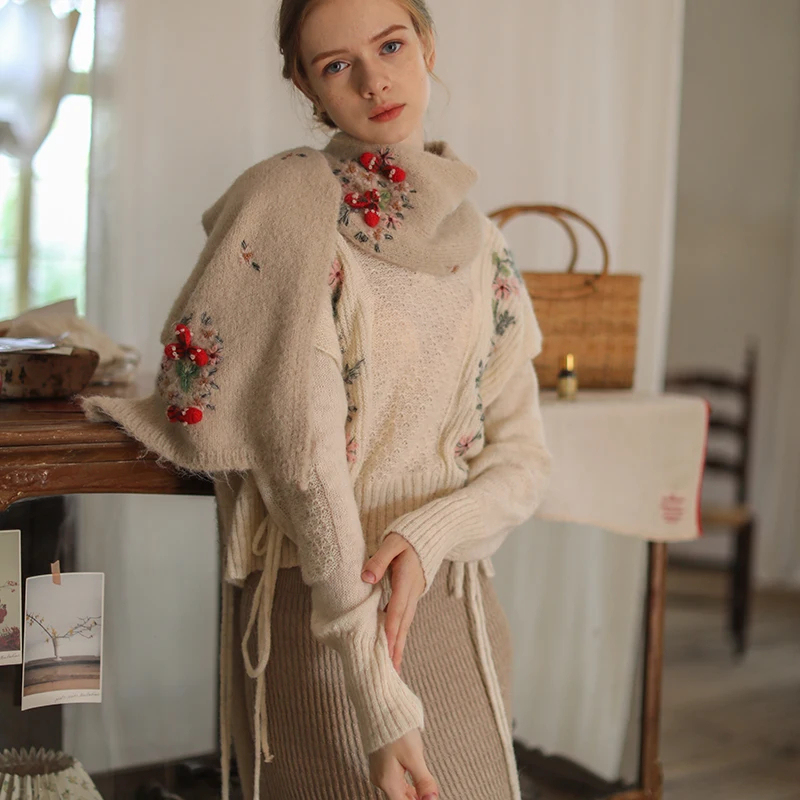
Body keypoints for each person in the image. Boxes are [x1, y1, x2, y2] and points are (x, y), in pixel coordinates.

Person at [82, 0, 552, 798]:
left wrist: (429, 534)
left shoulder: (483, 244)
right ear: (305, 84)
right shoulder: (292, 210)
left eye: (391, 46)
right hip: (326, 618)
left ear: (427, 44)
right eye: (338, 65)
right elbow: (305, 466)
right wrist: (378, 702)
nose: (374, 81)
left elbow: (525, 457)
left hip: (459, 607)